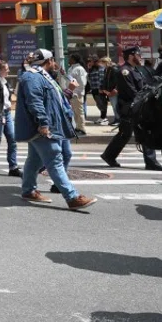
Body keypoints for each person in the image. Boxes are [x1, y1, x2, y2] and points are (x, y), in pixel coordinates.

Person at [16, 49, 97, 208]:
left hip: (49, 126)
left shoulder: (43, 76)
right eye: (53, 60)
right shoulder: (32, 77)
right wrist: (43, 124)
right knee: (55, 160)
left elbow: (55, 100)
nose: (55, 64)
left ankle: (28, 190)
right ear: (48, 60)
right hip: (42, 128)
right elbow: (35, 102)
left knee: (34, 160)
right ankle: (72, 197)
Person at [101, 46, 162, 171]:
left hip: (137, 106)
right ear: (131, 56)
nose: (140, 57)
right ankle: (150, 161)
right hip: (130, 107)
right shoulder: (124, 71)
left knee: (126, 133)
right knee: (143, 130)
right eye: (138, 55)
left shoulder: (135, 70)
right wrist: (145, 101)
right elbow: (131, 92)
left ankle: (109, 155)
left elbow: (144, 87)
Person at [67, 53, 89, 136]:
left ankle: (82, 128)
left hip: (77, 93)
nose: (69, 59)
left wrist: (77, 92)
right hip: (71, 93)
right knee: (75, 112)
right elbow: (69, 79)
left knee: (79, 111)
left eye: (70, 58)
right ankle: (77, 127)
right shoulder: (71, 68)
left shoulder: (79, 69)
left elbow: (82, 82)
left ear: (74, 59)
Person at [88, 57, 109, 125]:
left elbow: (101, 79)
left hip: (99, 89)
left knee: (102, 103)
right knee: (98, 103)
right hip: (94, 89)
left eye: (91, 61)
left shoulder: (101, 69)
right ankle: (102, 117)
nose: (90, 63)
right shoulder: (92, 69)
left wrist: (101, 88)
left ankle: (104, 117)